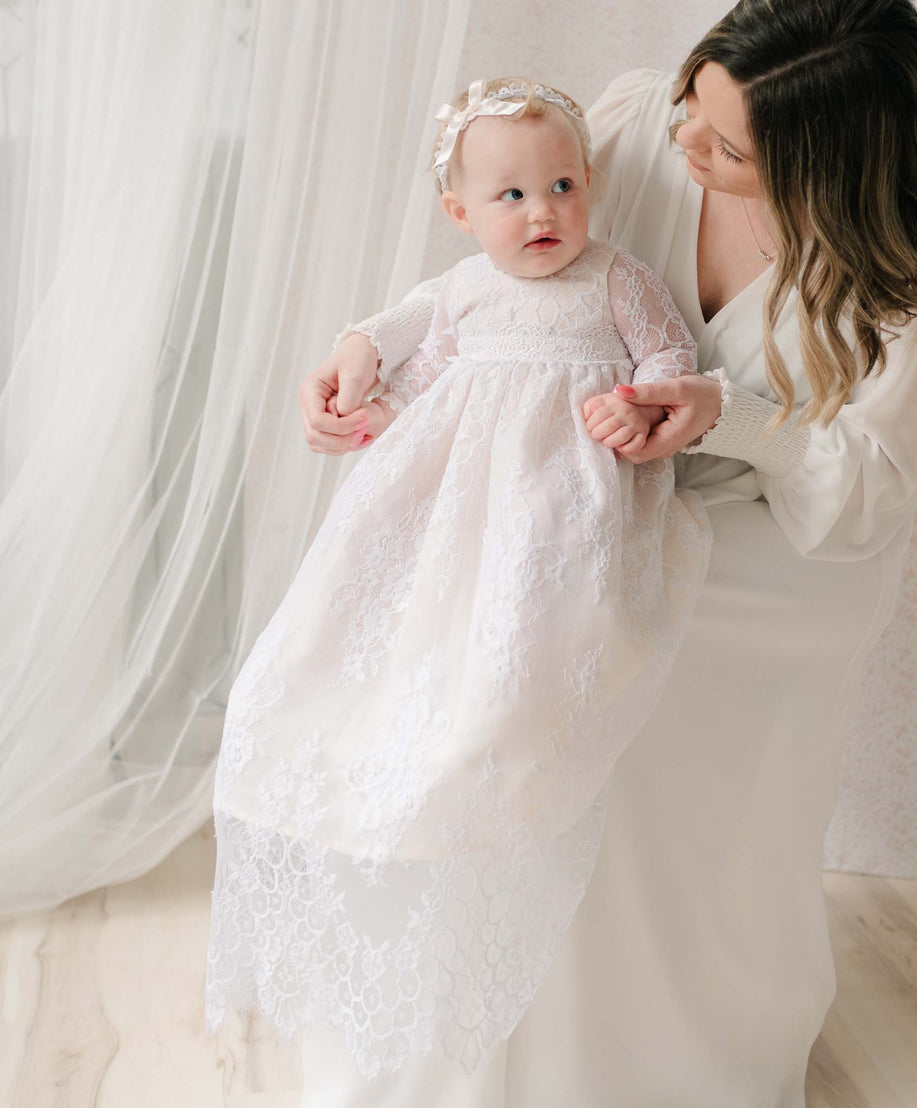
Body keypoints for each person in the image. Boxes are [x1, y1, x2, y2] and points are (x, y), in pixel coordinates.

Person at [294, 1, 917, 1104]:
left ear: (829, 167)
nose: (685, 152)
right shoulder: (636, 118)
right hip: (570, 510)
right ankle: (480, 1019)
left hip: (769, 550)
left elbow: (868, 488)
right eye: (690, 115)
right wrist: (364, 356)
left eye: (728, 152)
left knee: (626, 691)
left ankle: (643, 1054)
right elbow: (497, 282)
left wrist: (724, 413)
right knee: (484, 651)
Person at [204, 73, 718, 1094]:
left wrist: (648, 403)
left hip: (559, 502)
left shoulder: (616, 278)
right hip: (459, 504)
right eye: (512, 196)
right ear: (461, 212)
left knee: (525, 648)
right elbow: (428, 375)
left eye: (563, 185)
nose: (543, 214)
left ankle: (495, 775)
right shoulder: (464, 290)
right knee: (377, 627)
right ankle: (378, 784)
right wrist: (384, 414)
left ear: (591, 187)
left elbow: (671, 354)